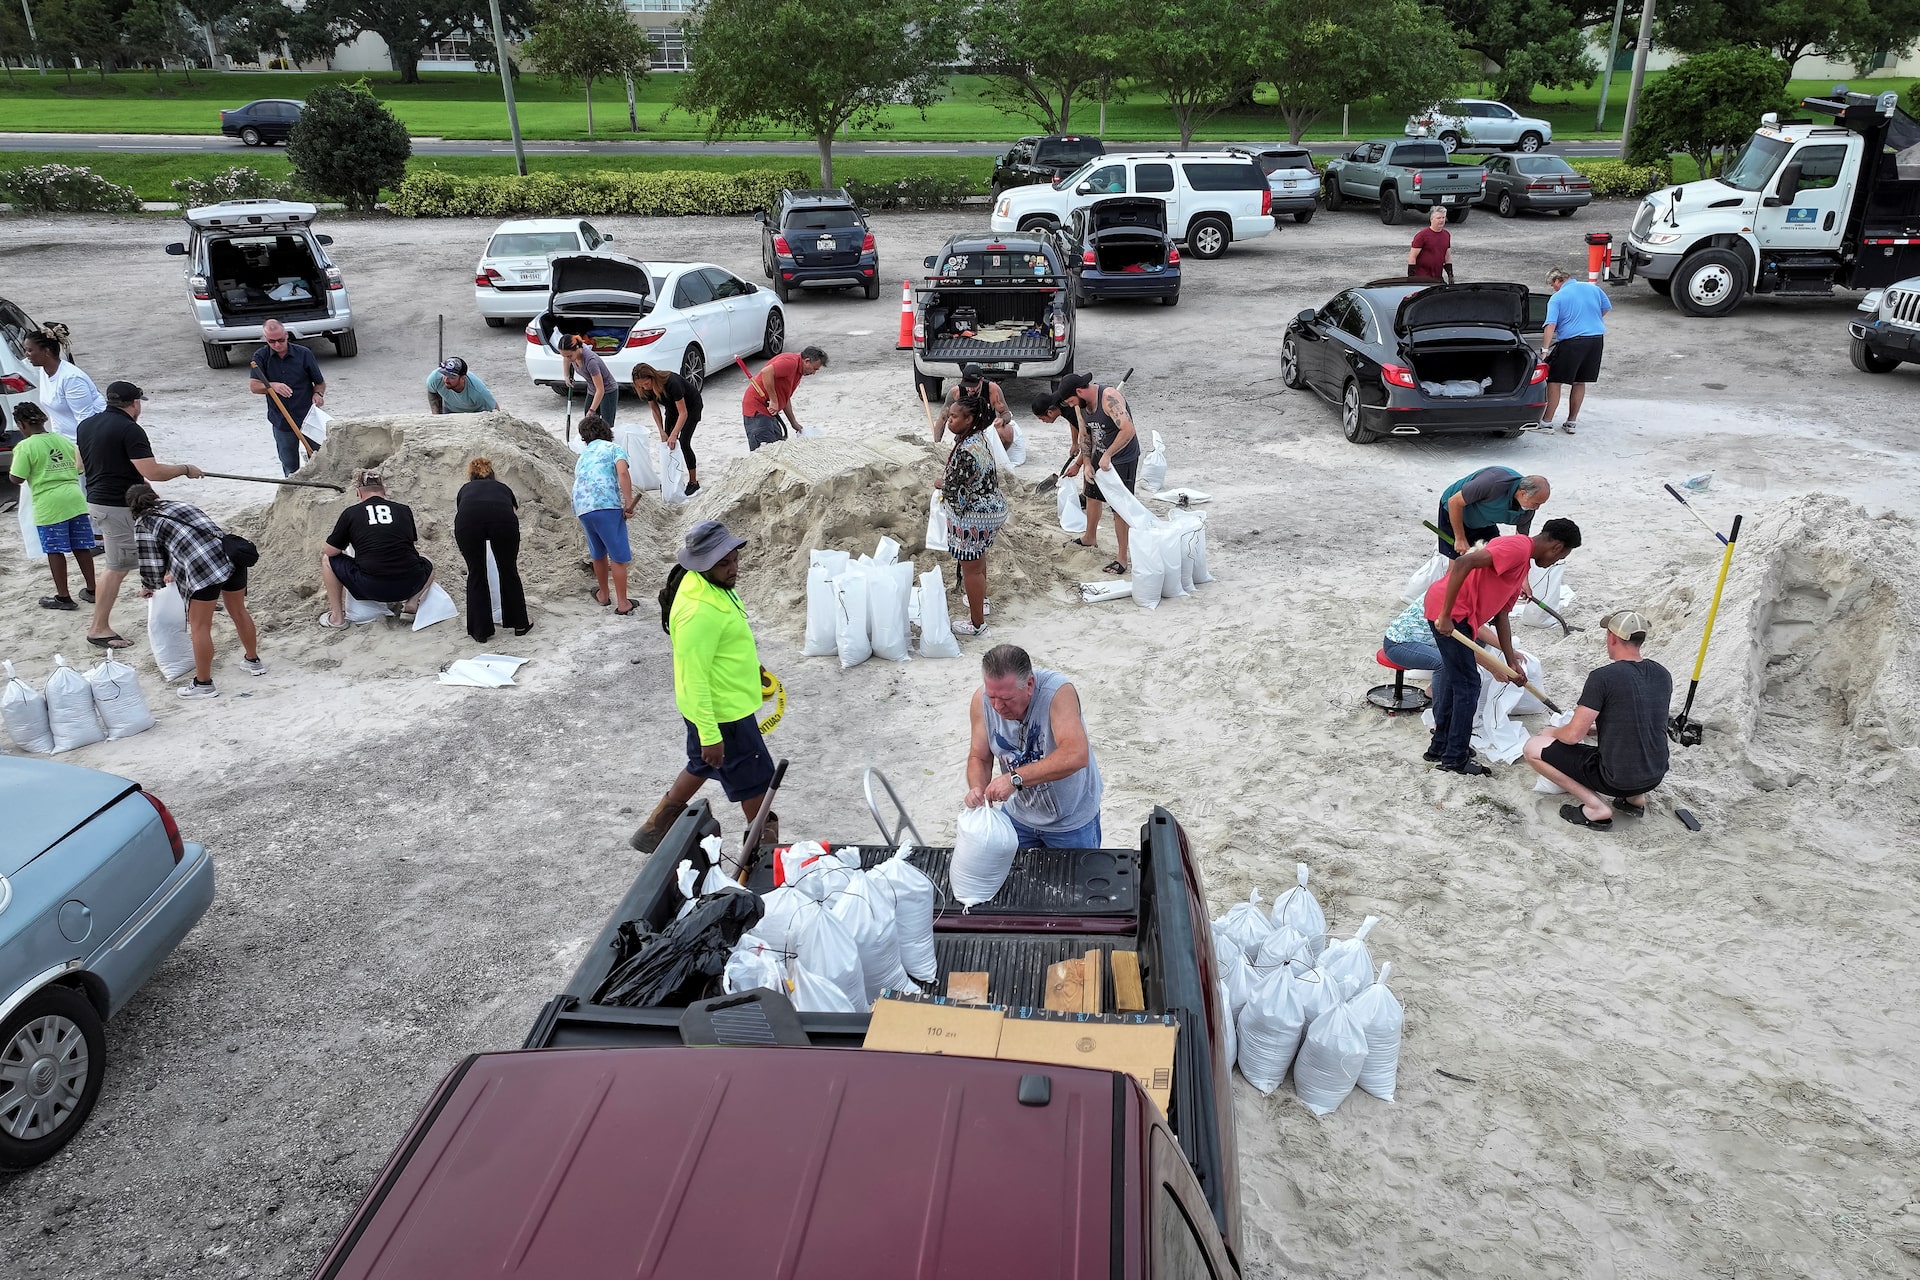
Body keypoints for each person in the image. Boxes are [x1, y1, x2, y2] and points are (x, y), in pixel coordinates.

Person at [630, 521, 778, 856]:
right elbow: (692, 677)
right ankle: (763, 855)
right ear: (702, 564)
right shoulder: (699, 611)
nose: (733, 568)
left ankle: (655, 828)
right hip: (723, 713)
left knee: (703, 763)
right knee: (757, 780)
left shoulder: (713, 586)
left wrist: (751, 668)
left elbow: (726, 642)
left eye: (734, 559)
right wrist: (710, 733)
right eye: (724, 563)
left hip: (721, 705)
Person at [1424, 518, 1583, 775]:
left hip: (1460, 616)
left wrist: (1511, 663)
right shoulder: (1518, 547)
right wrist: (1445, 614)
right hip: (1452, 613)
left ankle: (1441, 747)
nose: (1555, 562)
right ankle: (1454, 757)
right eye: (1561, 556)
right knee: (1468, 685)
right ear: (1556, 546)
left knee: (1460, 681)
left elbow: (1501, 617)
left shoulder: (1521, 566)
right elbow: (1464, 562)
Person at [77, 381, 203, 650]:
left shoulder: (86, 425)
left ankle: (183, 601)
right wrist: (185, 468)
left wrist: (145, 490)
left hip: (101, 500)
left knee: (159, 547)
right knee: (117, 567)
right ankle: (98, 628)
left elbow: (81, 464)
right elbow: (153, 470)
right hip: (116, 506)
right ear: (135, 404)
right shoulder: (130, 429)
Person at [1524, 611, 1671, 829]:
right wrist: (1593, 729)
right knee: (1637, 742)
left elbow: (1573, 736)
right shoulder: (1662, 673)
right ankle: (1635, 799)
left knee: (1533, 748)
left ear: (1612, 637)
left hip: (1614, 779)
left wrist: (1553, 732)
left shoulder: (1603, 677)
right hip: (1655, 774)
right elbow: (1636, 721)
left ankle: (1595, 807)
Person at [127, 482, 263, 698]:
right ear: (156, 494)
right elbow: (193, 536)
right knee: (238, 611)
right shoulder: (180, 505)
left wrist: (149, 586)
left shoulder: (144, 523)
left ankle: (203, 684)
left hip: (203, 570)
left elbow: (151, 563)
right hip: (231, 558)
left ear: (132, 509)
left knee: (200, 627)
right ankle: (253, 661)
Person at [963, 644, 1105, 850]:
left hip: (1070, 821)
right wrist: (977, 788)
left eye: (1006, 699)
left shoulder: (1057, 693)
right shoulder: (981, 700)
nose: (997, 707)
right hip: (1019, 815)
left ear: (1029, 684)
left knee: (1075, 881)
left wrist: (1015, 779)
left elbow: (1076, 754)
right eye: (991, 697)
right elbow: (979, 757)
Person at [317, 469, 436, 628]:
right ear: (384, 490)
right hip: (408, 584)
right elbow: (409, 544)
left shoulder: (351, 513)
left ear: (359, 493)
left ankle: (337, 618)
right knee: (429, 562)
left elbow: (331, 551)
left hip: (371, 588)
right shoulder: (404, 510)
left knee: (327, 560)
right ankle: (412, 603)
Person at [9, 402, 98, 611]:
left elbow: (17, 478)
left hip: (49, 503)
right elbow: (78, 468)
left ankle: (63, 596)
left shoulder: (25, 446)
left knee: (54, 550)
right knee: (81, 546)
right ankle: (92, 589)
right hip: (75, 499)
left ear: (22, 425)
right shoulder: (63, 440)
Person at [1054, 372, 1138, 575]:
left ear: (1080, 391)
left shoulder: (1109, 398)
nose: (1071, 404)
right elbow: (1085, 435)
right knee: (1091, 496)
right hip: (1098, 455)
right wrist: (1087, 464)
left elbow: (1128, 430)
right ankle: (1089, 537)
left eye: (1071, 400)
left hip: (1123, 457)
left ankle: (1121, 558)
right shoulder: (1080, 406)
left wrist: (1108, 455)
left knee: (1119, 509)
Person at [939, 391, 1009, 636]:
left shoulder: (965, 451)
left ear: (969, 420)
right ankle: (982, 602)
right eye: (949, 417)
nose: (949, 421)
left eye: (954, 417)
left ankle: (977, 624)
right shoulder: (979, 438)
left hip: (974, 517)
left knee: (971, 568)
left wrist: (941, 485)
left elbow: (956, 491)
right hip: (993, 509)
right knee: (978, 564)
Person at [454, 456, 532, 645]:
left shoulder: (465, 489)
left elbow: (461, 508)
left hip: (468, 522)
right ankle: (519, 623)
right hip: (503, 520)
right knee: (508, 570)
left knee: (476, 572)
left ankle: (480, 631)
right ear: (492, 474)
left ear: (471, 476)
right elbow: (513, 509)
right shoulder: (503, 488)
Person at [571, 413, 639, 615]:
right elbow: (623, 473)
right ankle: (623, 603)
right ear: (607, 431)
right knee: (618, 556)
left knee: (598, 552)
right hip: (606, 504)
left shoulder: (583, 456)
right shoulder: (613, 448)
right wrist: (628, 503)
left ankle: (603, 594)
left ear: (585, 438)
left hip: (582, 507)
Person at [249, 319, 326, 476]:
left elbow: (319, 383)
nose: (277, 345)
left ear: (286, 335)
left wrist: (318, 394)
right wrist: (272, 386)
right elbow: (254, 386)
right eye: (272, 341)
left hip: (308, 417)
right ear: (265, 339)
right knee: (290, 465)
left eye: (280, 340)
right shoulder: (260, 357)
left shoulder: (304, 354)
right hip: (281, 419)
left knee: (320, 459)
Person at [1540, 265, 1612, 434]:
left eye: (1553, 285)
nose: (1553, 288)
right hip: (1595, 340)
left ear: (1558, 280)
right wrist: (1592, 320)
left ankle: (1546, 422)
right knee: (1580, 381)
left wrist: (1544, 350)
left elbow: (1550, 325)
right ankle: (1571, 422)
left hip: (1572, 342)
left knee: (1554, 381)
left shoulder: (1557, 298)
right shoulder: (1592, 289)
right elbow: (1606, 307)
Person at [1436, 467, 1550, 559]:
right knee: (1459, 562)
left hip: (1484, 521)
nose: (1537, 508)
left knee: (1493, 556)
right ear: (1523, 493)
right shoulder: (1493, 482)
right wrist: (1460, 538)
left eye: (1541, 504)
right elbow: (1454, 502)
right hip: (1455, 512)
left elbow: (1520, 542)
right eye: (1536, 503)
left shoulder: (1527, 511)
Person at [632, 362, 704, 495]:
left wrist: (674, 434)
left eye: (646, 384)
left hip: (691, 407)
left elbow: (683, 413)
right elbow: (655, 410)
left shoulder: (672, 382)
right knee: (667, 444)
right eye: (641, 386)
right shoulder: (646, 388)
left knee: (683, 442)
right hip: (671, 409)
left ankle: (693, 482)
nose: (645, 387)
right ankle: (671, 480)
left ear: (652, 377)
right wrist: (662, 431)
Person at [23, 324, 104, 438]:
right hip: (65, 442)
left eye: (29, 350)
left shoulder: (72, 379)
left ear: (46, 351)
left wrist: (81, 450)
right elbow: (55, 416)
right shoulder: (44, 371)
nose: (26, 355)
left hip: (84, 443)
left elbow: (86, 420)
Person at [741, 345, 827, 450]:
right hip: (757, 409)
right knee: (765, 451)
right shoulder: (790, 362)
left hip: (770, 412)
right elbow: (766, 372)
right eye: (814, 369)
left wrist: (794, 423)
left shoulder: (798, 371)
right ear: (807, 361)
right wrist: (773, 400)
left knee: (777, 446)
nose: (813, 373)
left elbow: (785, 397)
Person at [935, 364, 1014, 447]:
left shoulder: (992, 390)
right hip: (966, 432)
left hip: (987, 430)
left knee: (1007, 431)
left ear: (981, 380)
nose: (970, 389)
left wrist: (1002, 420)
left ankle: (999, 455)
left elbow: (1006, 413)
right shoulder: (956, 392)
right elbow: (942, 419)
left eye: (974, 385)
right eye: (967, 385)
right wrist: (936, 444)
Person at [559, 336, 616, 427]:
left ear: (577, 348)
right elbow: (566, 358)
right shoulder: (571, 355)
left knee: (606, 425)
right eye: (565, 356)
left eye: (569, 356)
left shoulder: (590, 361)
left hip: (607, 390)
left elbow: (600, 389)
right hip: (592, 389)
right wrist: (566, 376)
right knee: (589, 423)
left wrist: (592, 410)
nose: (568, 359)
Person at [426, 357, 498, 415]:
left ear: (463, 378)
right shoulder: (435, 378)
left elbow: (495, 411)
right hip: (450, 409)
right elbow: (432, 392)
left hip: (474, 413)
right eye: (444, 374)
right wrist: (436, 415)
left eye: (451, 377)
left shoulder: (478, 392)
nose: (446, 379)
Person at [1407, 205, 1454, 282]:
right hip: (1422, 277)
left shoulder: (1446, 235)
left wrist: (1450, 274)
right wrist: (1411, 277)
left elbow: (1447, 256)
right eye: (1438, 218)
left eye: (1443, 217)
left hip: (1437, 277)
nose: (1442, 220)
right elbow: (1412, 256)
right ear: (1431, 219)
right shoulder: (1422, 236)